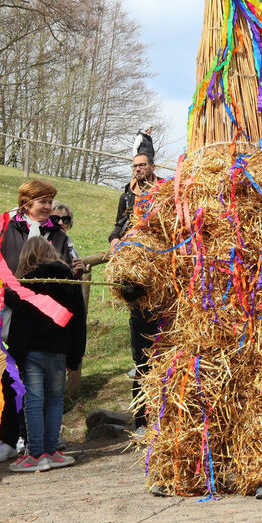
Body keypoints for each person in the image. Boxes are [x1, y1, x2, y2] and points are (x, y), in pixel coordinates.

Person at [6, 237, 86, 472]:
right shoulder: (67, 279)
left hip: (32, 351)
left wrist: (16, 356)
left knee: (34, 400)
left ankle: (36, 453)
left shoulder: (28, 282)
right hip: (59, 350)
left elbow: (20, 323)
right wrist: (75, 355)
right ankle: (52, 450)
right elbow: (78, 320)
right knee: (54, 400)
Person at [111, 137, 162, 435]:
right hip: (136, 279)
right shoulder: (127, 196)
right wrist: (116, 239)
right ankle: (141, 421)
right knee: (141, 358)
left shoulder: (164, 192)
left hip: (159, 274)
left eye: (143, 165)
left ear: (152, 167)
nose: (138, 170)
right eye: (135, 166)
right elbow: (117, 225)